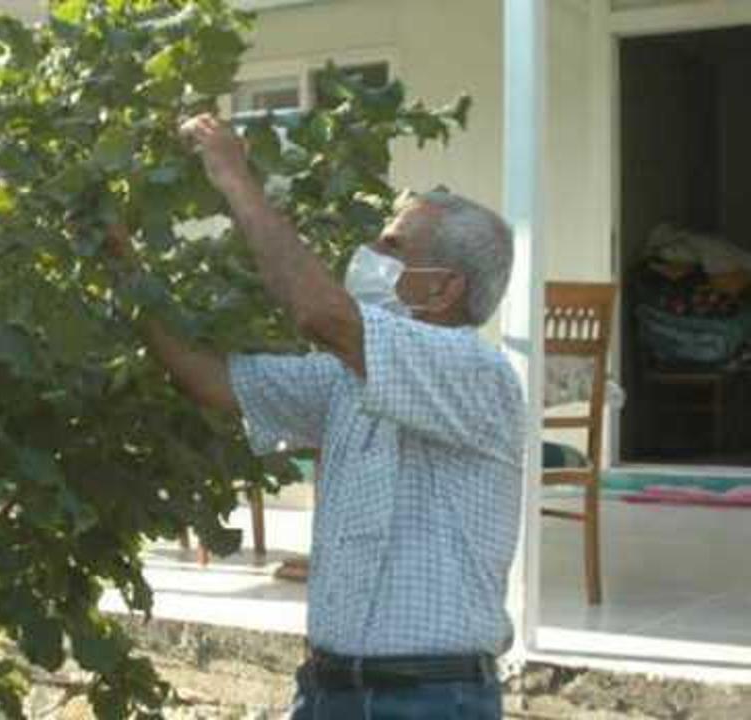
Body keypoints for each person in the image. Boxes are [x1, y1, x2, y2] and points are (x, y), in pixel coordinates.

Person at [118, 114, 524, 719]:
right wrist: (122, 264)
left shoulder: (474, 371)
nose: (370, 254)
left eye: (393, 245)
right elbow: (211, 380)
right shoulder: (346, 378)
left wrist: (233, 177)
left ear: (444, 289)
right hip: (329, 691)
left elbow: (317, 313)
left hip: (430, 700)